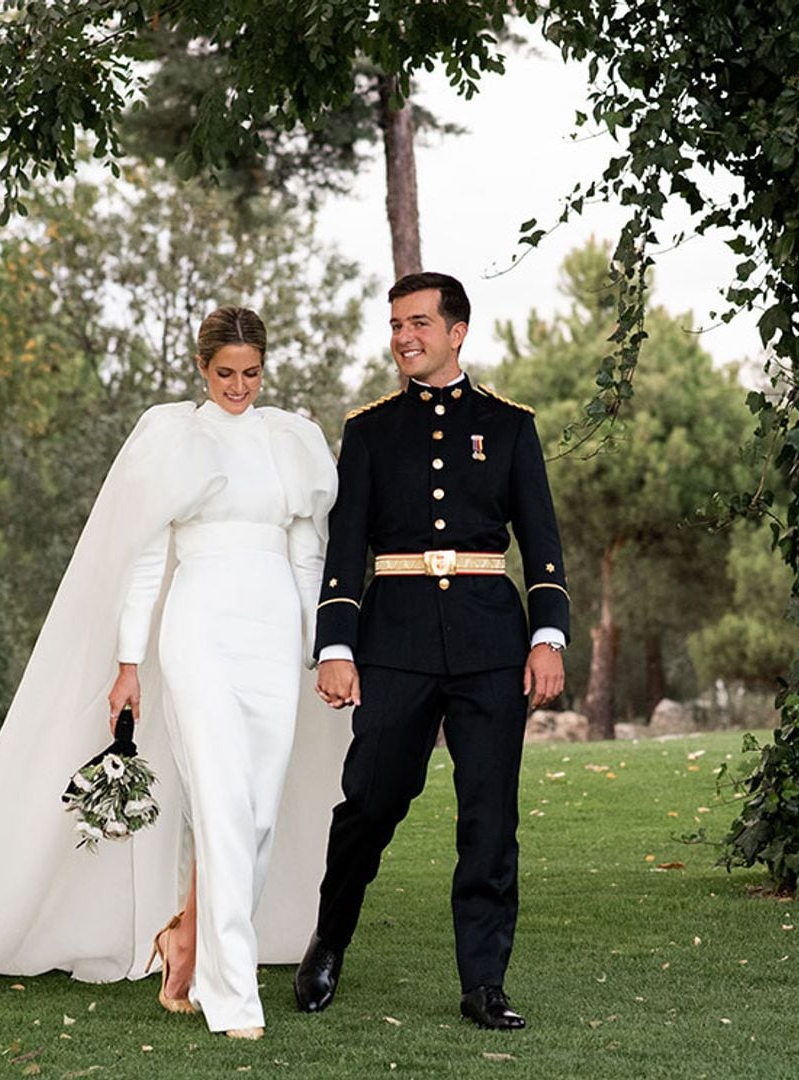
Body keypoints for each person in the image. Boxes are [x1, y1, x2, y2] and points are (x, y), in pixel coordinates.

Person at [0, 307, 348, 1040]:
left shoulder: (292, 440)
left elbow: (308, 556)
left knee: (258, 810)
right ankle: (231, 998)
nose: (239, 386)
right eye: (225, 373)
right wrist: (128, 662)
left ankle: (186, 938)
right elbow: (145, 559)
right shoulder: (173, 435)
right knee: (222, 801)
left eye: (251, 373)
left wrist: (320, 647)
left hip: (272, 632)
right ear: (202, 369)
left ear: (265, 369)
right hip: (198, 624)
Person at [295, 272, 569, 1031]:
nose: (403, 337)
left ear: (457, 332)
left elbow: (541, 544)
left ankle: (484, 981)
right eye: (394, 325)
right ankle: (329, 939)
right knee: (371, 801)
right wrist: (336, 646)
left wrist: (548, 637)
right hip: (395, 641)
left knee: (490, 816)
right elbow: (345, 551)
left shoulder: (510, 425)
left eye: (418, 323)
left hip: (490, 643)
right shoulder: (372, 430)